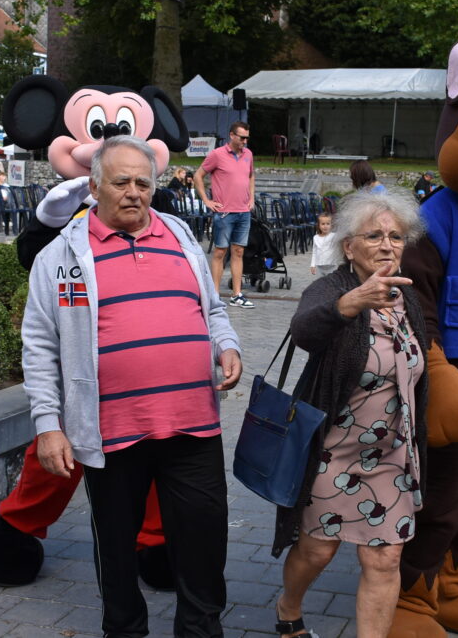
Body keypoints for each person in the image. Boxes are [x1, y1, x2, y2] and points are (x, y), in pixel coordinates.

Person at [23, 135, 241, 637]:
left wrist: (225, 345)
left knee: (204, 550)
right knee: (118, 556)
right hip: (112, 433)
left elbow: (212, 308)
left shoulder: (181, 234)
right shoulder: (61, 256)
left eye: (143, 182)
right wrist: (48, 426)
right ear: (94, 185)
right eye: (121, 181)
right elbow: (39, 347)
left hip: (194, 428)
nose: (133, 192)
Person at [273, 187, 427, 638]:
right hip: (333, 453)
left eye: (396, 237)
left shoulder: (406, 298)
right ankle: (288, 609)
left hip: (391, 457)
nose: (386, 245)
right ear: (348, 246)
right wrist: (350, 304)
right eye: (374, 236)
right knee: (318, 552)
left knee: (384, 557)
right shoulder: (332, 289)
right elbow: (303, 330)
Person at [193, 121, 256, 308]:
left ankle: (237, 294)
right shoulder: (217, 155)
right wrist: (206, 200)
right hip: (224, 213)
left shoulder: (248, 155)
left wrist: (251, 198)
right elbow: (198, 175)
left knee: (239, 251)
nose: (245, 141)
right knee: (220, 251)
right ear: (232, 135)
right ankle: (214, 294)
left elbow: (251, 176)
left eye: (247, 138)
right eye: (242, 137)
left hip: (243, 212)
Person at [310, 212, 339, 276]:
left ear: (331, 225)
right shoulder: (316, 238)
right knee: (322, 283)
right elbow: (314, 252)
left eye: (328, 224)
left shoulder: (334, 236)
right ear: (319, 225)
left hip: (332, 266)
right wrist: (312, 265)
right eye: (323, 224)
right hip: (320, 266)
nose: (325, 226)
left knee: (331, 283)